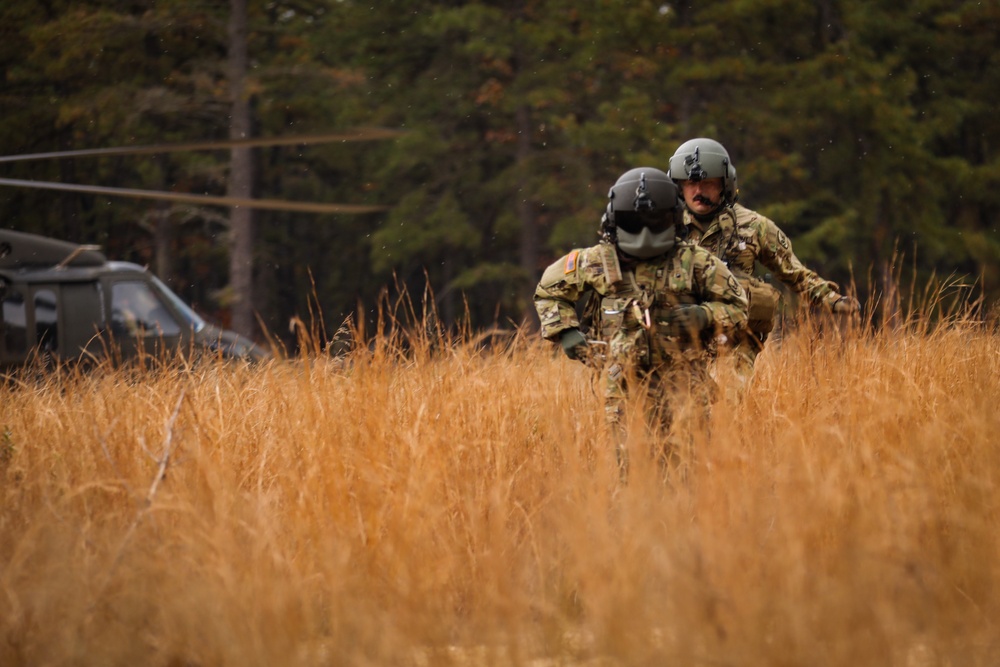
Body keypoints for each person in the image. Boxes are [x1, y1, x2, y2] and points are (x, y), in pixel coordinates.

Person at [534, 167, 748, 476]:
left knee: (688, 470)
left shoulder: (695, 262)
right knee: (632, 470)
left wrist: (703, 315)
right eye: (635, 223)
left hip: (685, 383)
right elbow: (549, 292)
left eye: (655, 222)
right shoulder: (595, 261)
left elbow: (739, 306)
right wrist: (566, 332)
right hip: (624, 385)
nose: (645, 233)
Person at [667, 138, 860, 387]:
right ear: (679, 187)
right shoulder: (665, 229)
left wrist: (832, 300)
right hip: (682, 335)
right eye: (690, 183)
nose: (698, 191)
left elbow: (793, 272)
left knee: (726, 395)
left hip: (735, 338)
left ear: (724, 185)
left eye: (707, 183)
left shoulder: (754, 226)